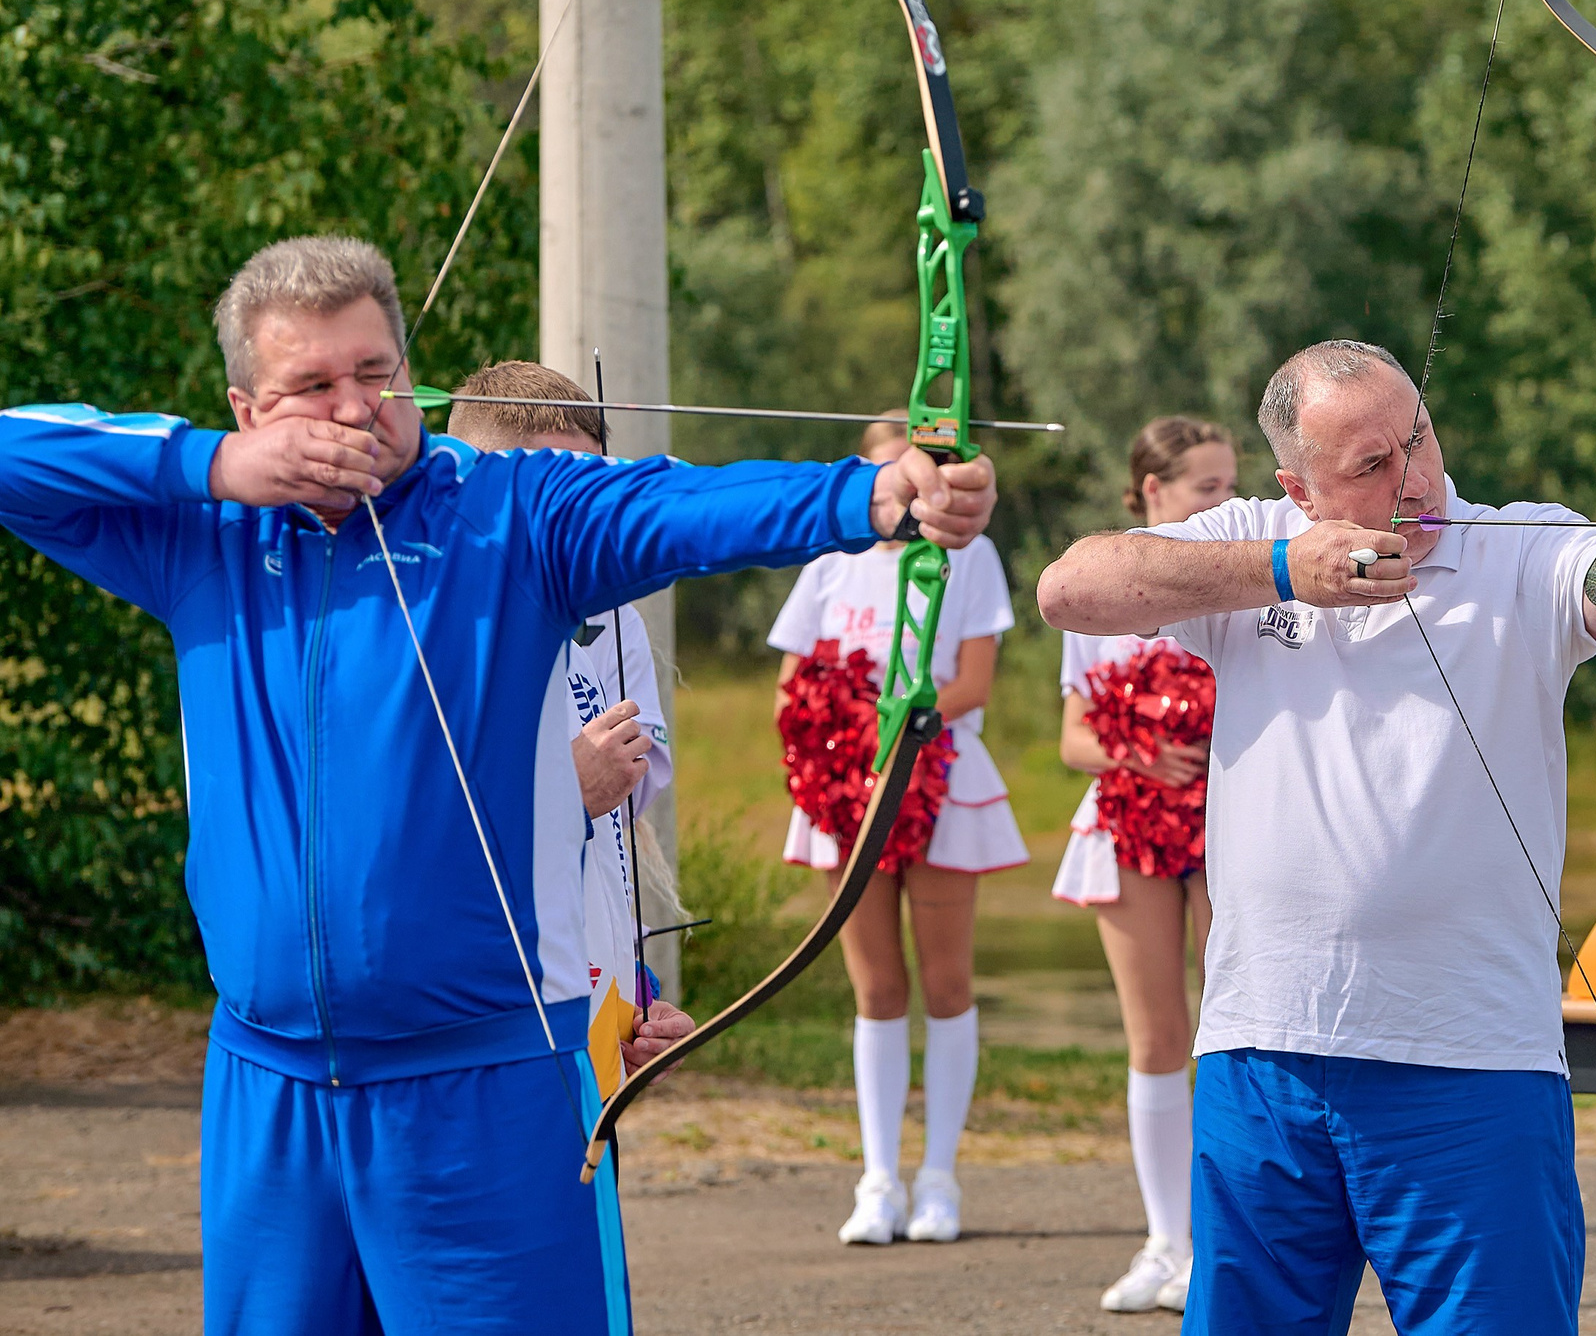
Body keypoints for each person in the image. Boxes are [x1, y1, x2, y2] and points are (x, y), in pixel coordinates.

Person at [0, 235, 994, 1336]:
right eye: (310, 387)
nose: (352, 409)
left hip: (485, 1082)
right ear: (246, 407)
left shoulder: (519, 513)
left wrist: (874, 495)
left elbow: (693, 507)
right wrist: (214, 471)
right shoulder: (204, 530)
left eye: (375, 373)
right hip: (268, 1090)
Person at [1035, 339, 1596, 1336]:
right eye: (1366, 466)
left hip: (1468, 1065)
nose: (1414, 477)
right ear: (1297, 487)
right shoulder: (1250, 546)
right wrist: (1280, 568)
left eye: (1418, 437)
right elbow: (1072, 585)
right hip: (1261, 1053)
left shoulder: (1519, 549)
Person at [768, 419, 1027, 1247]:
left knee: (946, 984)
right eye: (887, 464)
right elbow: (790, 685)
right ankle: (877, 1179)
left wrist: (899, 725)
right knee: (877, 989)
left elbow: (974, 682)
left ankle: (940, 1177)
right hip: (850, 791)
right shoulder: (829, 557)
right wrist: (843, 744)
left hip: (939, 777)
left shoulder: (969, 555)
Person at [445, 361, 698, 1088]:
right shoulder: (427, 619)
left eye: (592, 487)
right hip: (478, 1030)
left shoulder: (610, 612)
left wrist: (635, 993)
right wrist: (563, 790)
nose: (577, 513)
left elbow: (611, 840)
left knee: (587, 1196)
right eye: (553, 487)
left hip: (590, 1011)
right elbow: (417, 833)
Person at [1052, 417, 1237, 1313]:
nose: (1228, 503)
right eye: (1208, 488)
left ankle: (1224, 1242)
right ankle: (1166, 1241)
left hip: (1229, 823)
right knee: (1157, 1039)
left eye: (1233, 485)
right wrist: (1138, 756)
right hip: (1130, 824)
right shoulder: (1105, 581)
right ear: (1151, 493)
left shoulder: (1241, 572)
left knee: (1228, 1030)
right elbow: (1074, 735)